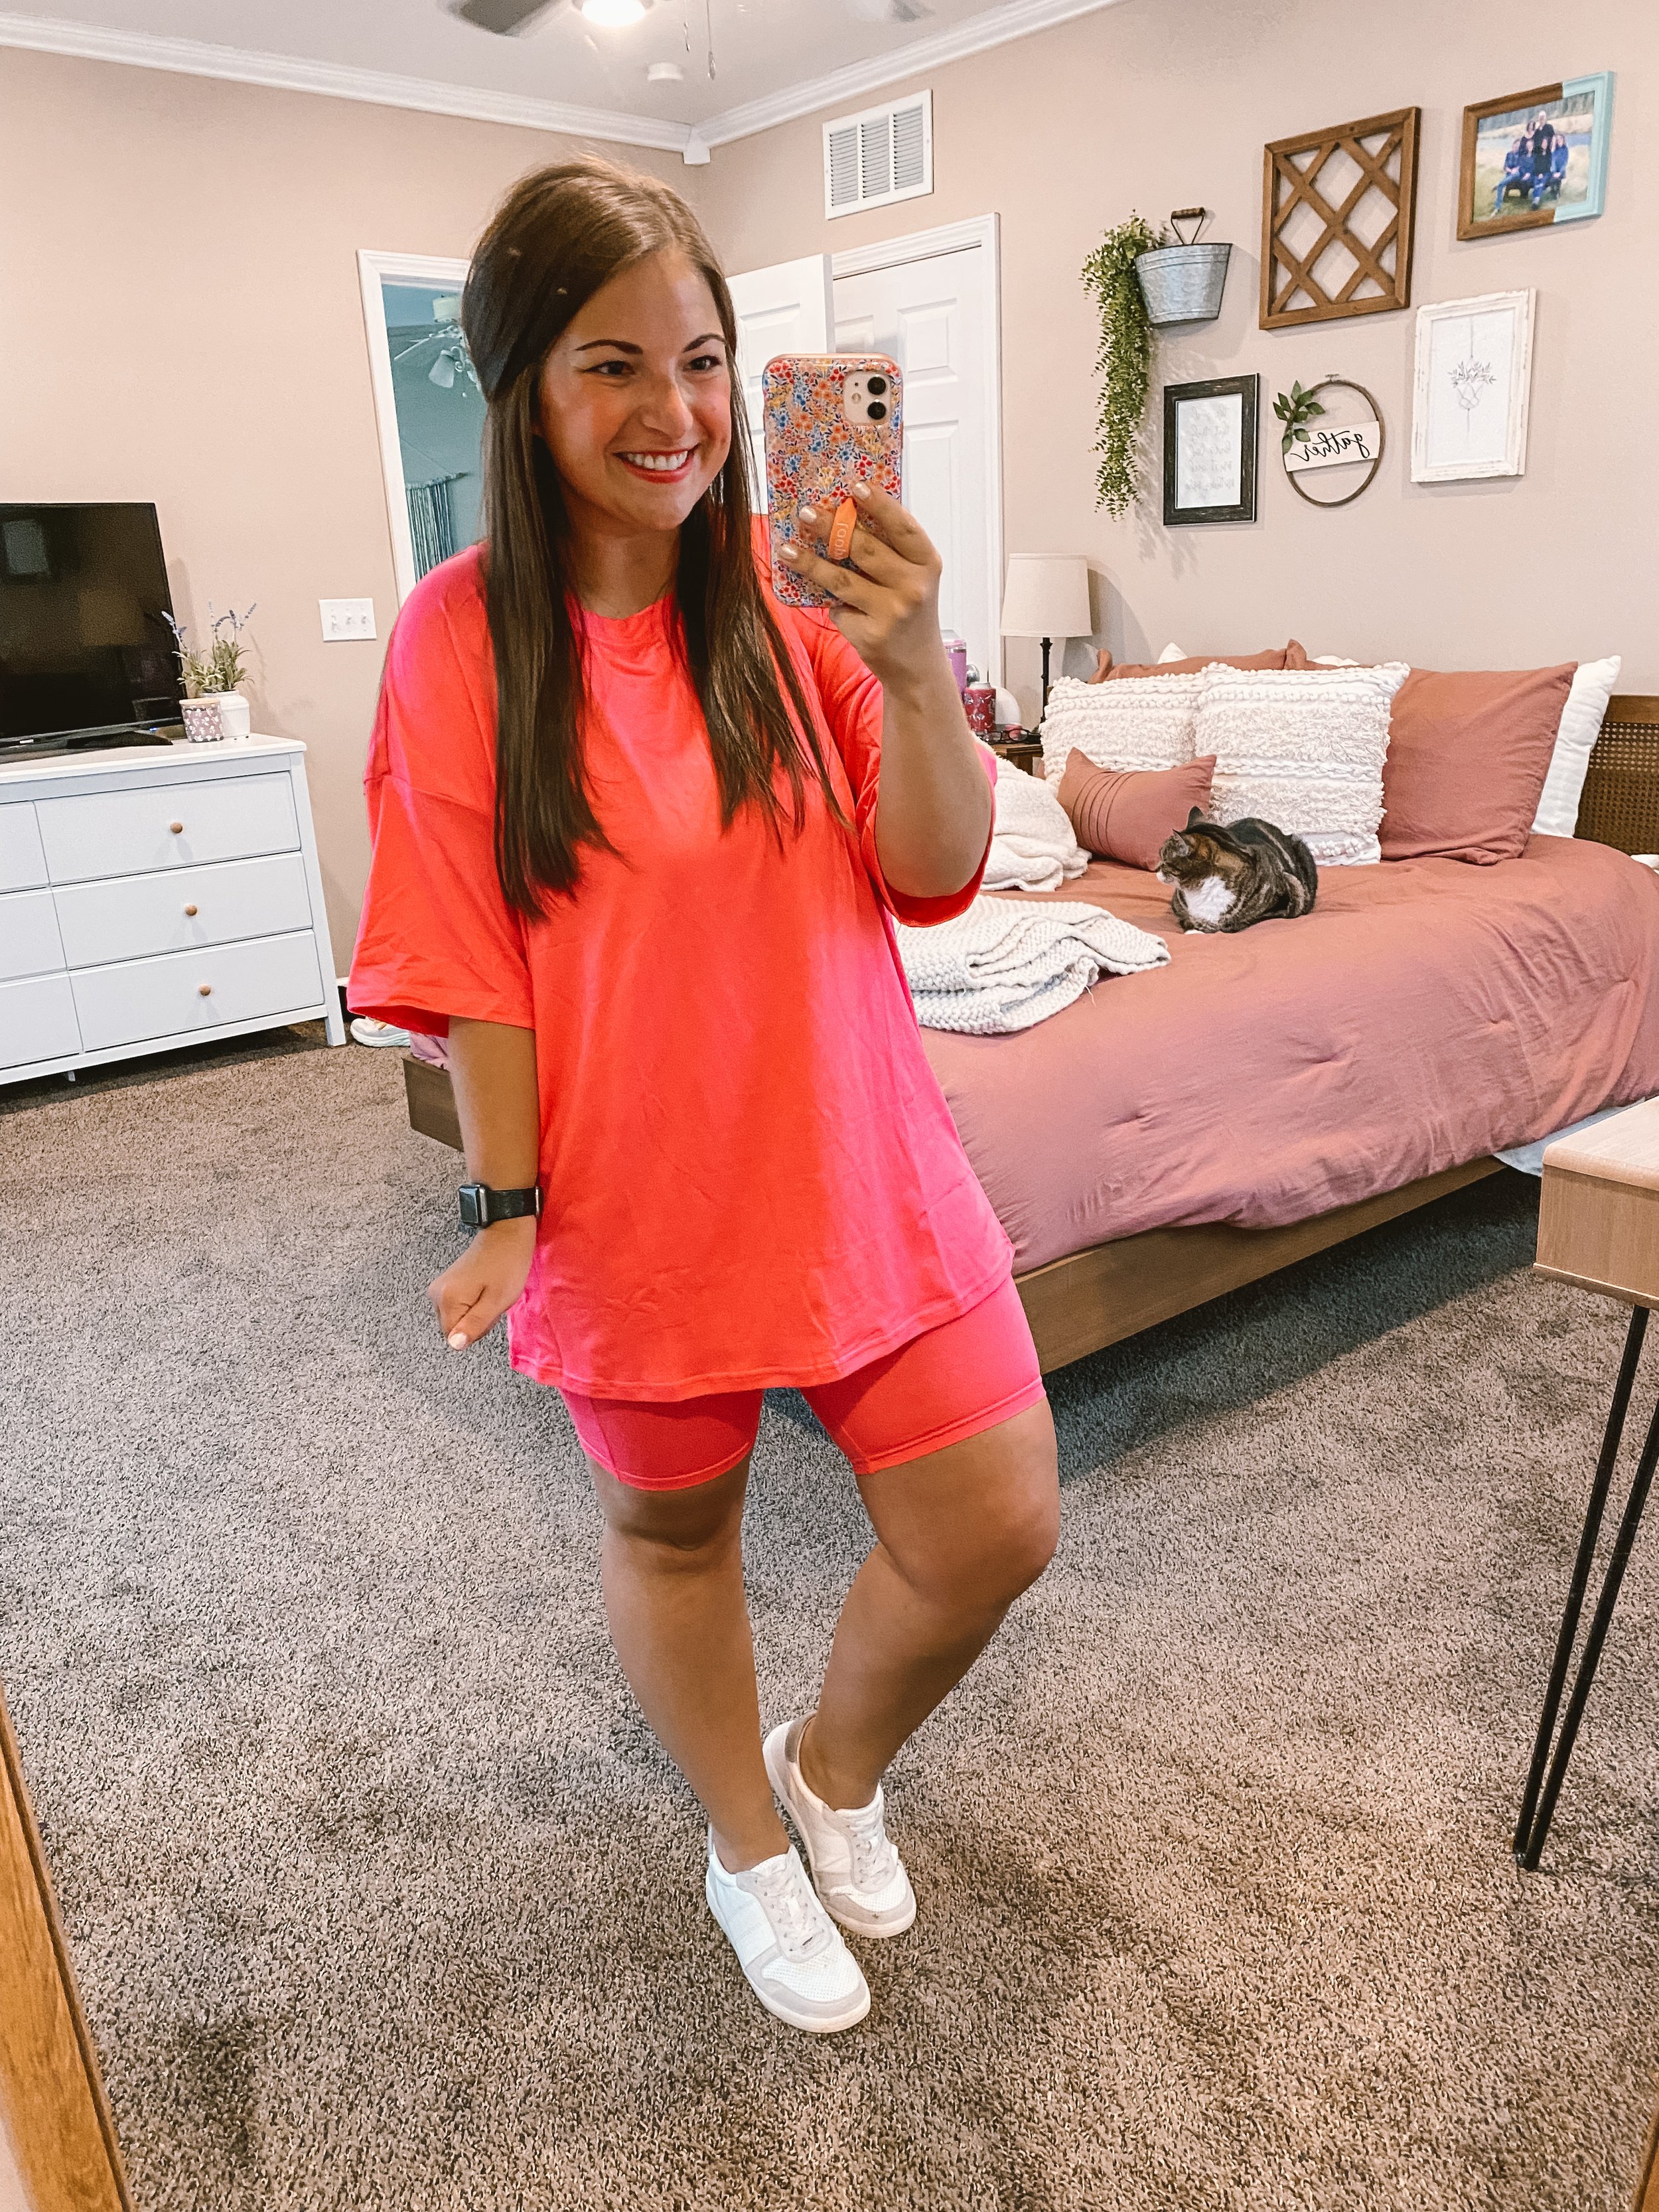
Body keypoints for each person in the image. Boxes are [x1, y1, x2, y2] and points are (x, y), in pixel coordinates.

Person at [348, 159, 1060, 2035]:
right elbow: (470, 954)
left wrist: (918, 676)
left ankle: (830, 1767)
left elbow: (932, 868)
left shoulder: (798, 595)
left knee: (994, 1524)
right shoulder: (455, 636)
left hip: (858, 1158)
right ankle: (746, 1843)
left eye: (703, 360)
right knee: (677, 1534)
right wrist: (506, 1206)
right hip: (632, 1192)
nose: (673, 412)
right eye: (611, 365)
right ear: (520, 388)